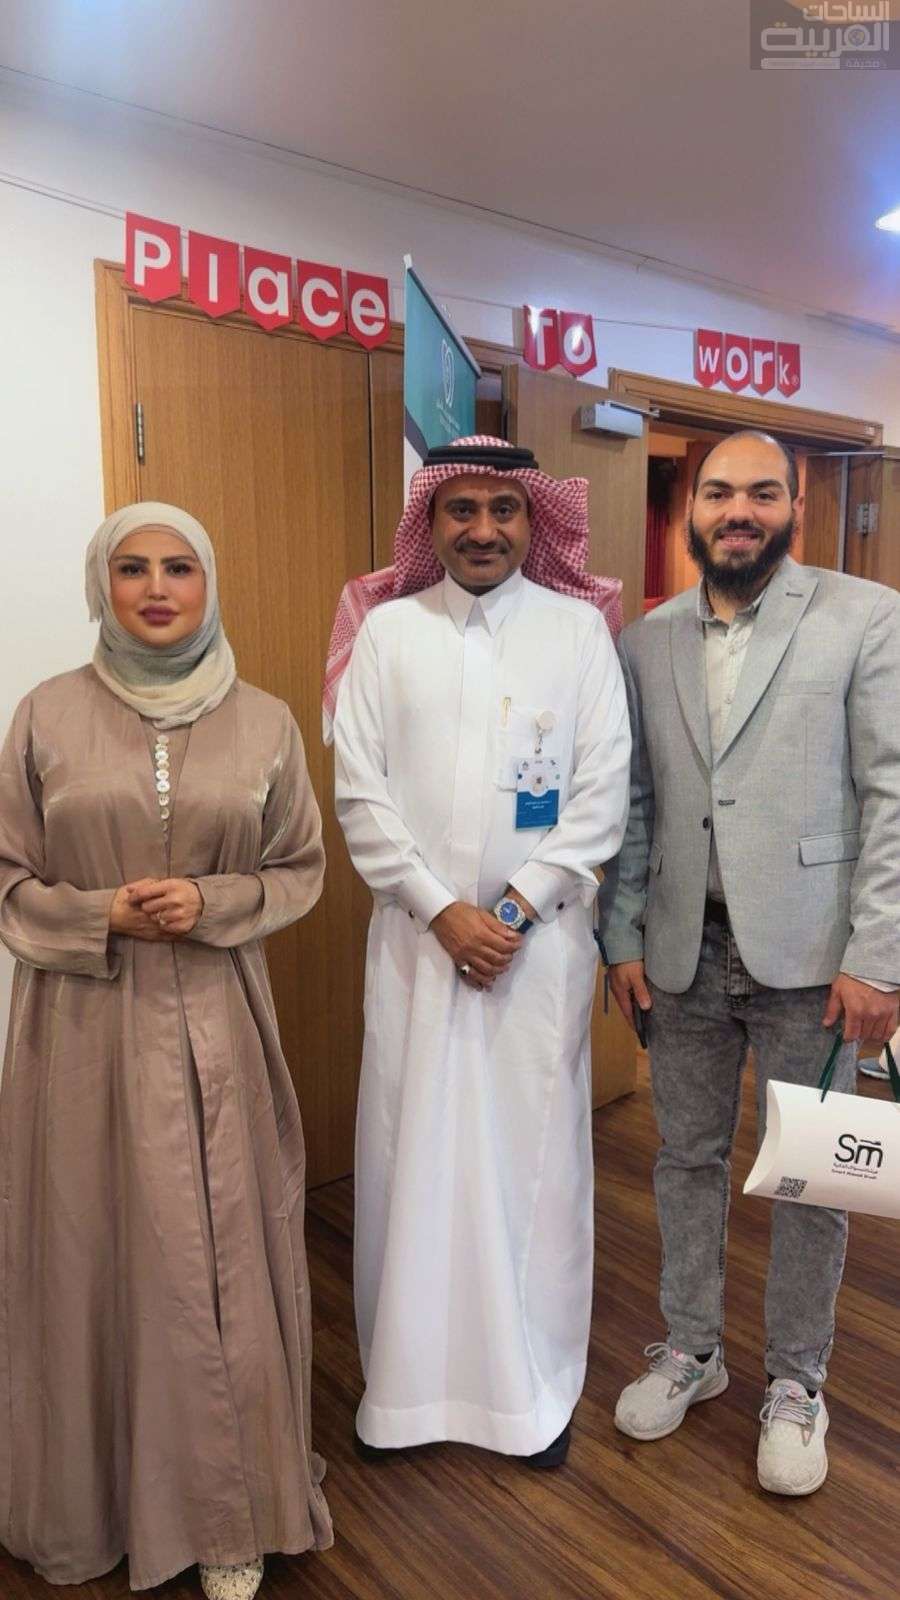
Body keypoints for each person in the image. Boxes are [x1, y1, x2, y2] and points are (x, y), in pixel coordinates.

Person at [0, 504, 332, 1598]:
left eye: (179, 567)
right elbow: (7, 876)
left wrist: (214, 899)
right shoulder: (45, 713)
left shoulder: (266, 720)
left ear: (208, 583)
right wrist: (98, 914)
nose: (156, 587)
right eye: (132, 567)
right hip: (80, 1030)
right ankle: (90, 1500)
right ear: (102, 584)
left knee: (221, 1259)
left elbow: (298, 868)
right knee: (89, 1250)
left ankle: (229, 1514)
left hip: (217, 1025)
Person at [598, 430, 900, 1495]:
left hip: (818, 962)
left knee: (816, 1177)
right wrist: (622, 934)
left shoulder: (866, 616)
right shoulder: (646, 640)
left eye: (763, 493)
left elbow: (892, 794)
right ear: (691, 509)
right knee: (685, 1159)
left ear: (796, 508)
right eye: (720, 492)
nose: (740, 511)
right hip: (683, 949)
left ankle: (798, 1381)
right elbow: (636, 803)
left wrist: (880, 956)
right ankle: (692, 1348)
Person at [327, 435, 631, 1466]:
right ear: (432, 521)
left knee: (530, 1163)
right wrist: (439, 910)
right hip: (419, 948)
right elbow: (359, 794)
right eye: (462, 509)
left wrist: (512, 910)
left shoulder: (578, 631)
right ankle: (405, 1393)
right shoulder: (388, 631)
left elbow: (601, 795)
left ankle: (528, 1393)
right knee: (409, 1154)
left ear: (535, 520)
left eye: (505, 509)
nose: (484, 529)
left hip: (534, 955)